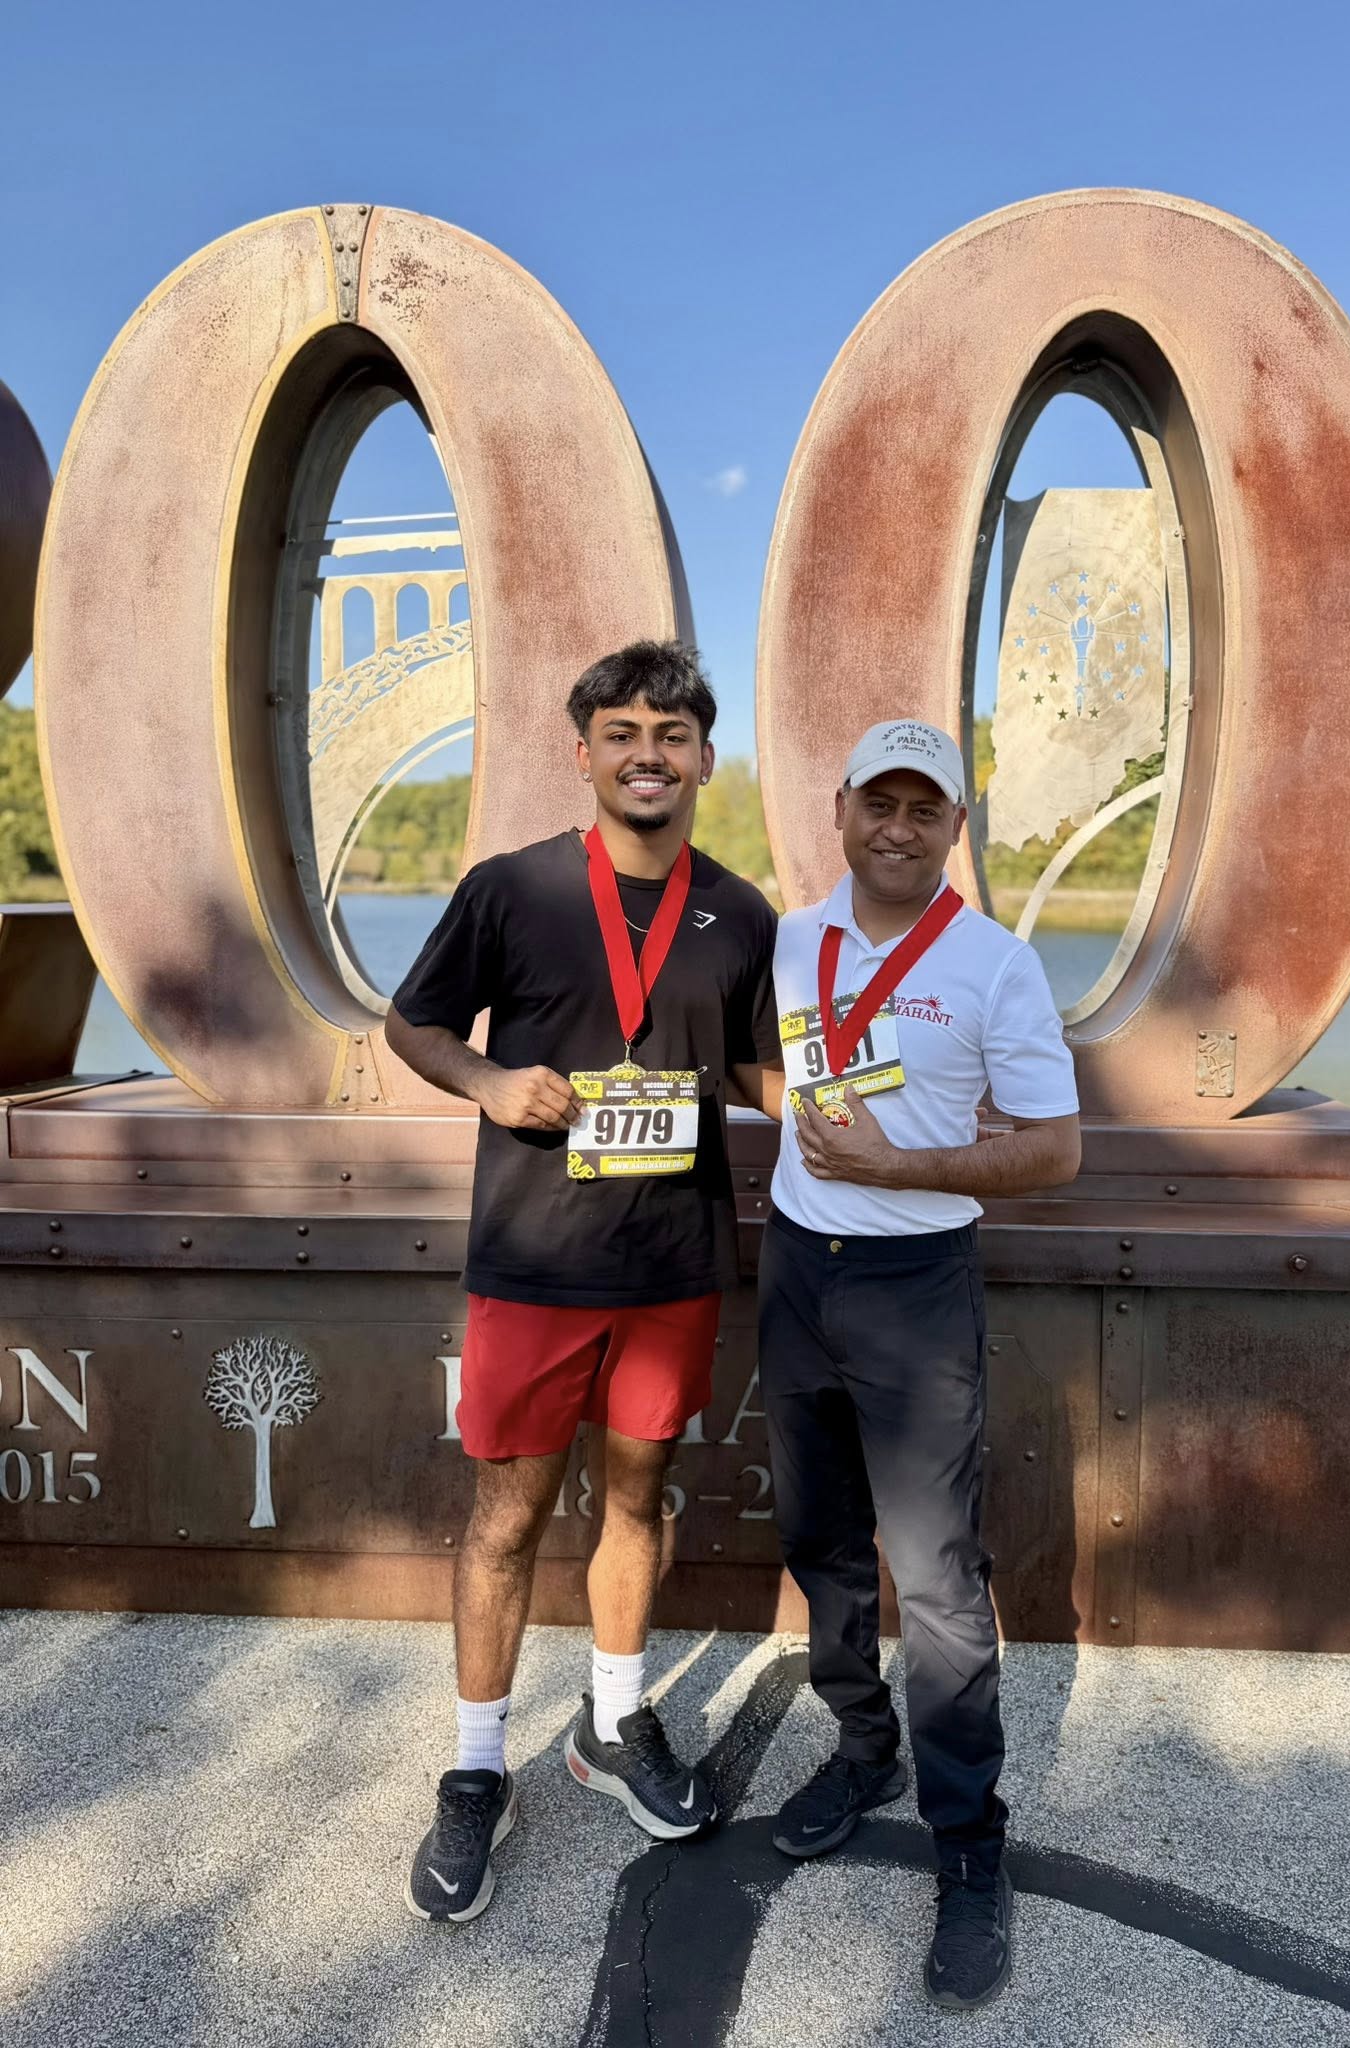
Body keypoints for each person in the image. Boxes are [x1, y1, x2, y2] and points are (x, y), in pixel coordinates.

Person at [386, 640, 780, 1924]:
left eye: (672, 733)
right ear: (585, 753)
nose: (648, 753)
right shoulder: (512, 889)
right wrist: (489, 1081)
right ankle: (475, 1765)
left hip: (674, 1265)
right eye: (623, 732)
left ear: (705, 758)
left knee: (638, 1497)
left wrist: (865, 1111)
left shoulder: (742, 911)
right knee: (505, 1518)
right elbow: (413, 1022)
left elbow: (759, 1069)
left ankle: (612, 1724)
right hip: (535, 1262)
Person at [748, 718, 1080, 2012]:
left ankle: (968, 1843)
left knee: (937, 1580)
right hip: (797, 1271)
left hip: (917, 1281)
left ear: (955, 825)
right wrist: (804, 1116)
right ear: (839, 809)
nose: (897, 827)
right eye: (877, 803)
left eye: (922, 808)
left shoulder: (995, 963)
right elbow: (765, 1068)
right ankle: (863, 1745)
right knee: (819, 1539)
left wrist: (907, 1164)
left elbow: (1053, 1148)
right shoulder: (791, 941)